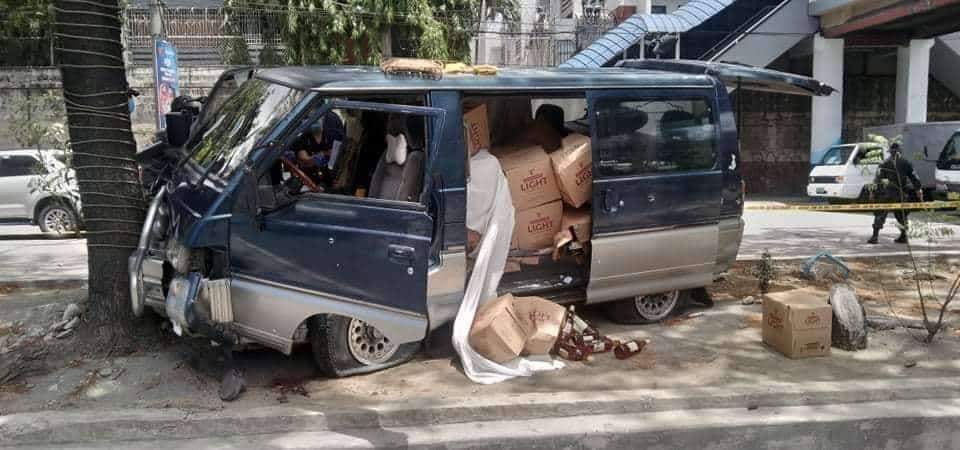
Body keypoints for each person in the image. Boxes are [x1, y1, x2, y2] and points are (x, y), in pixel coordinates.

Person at [868, 142, 923, 244]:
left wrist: (873, 192)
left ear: (891, 152)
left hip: (887, 193)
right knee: (901, 214)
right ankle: (904, 236)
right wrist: (918, 189)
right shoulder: (906, 162)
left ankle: (875, 236)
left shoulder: (884, 163)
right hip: (901, 193)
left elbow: (877, 180)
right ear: (900, 151)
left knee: (880, 213)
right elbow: (914, 177)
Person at [289, 111, 346, 186]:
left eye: (318, 118)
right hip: (310, 182)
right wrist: (319, 157)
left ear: (323, 120)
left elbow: (338, 155)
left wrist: (324, 156)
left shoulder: (333, 135)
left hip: (331, 180)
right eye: (310, 118)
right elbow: (304, 158)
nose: (315, 121)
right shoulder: (302, 139)